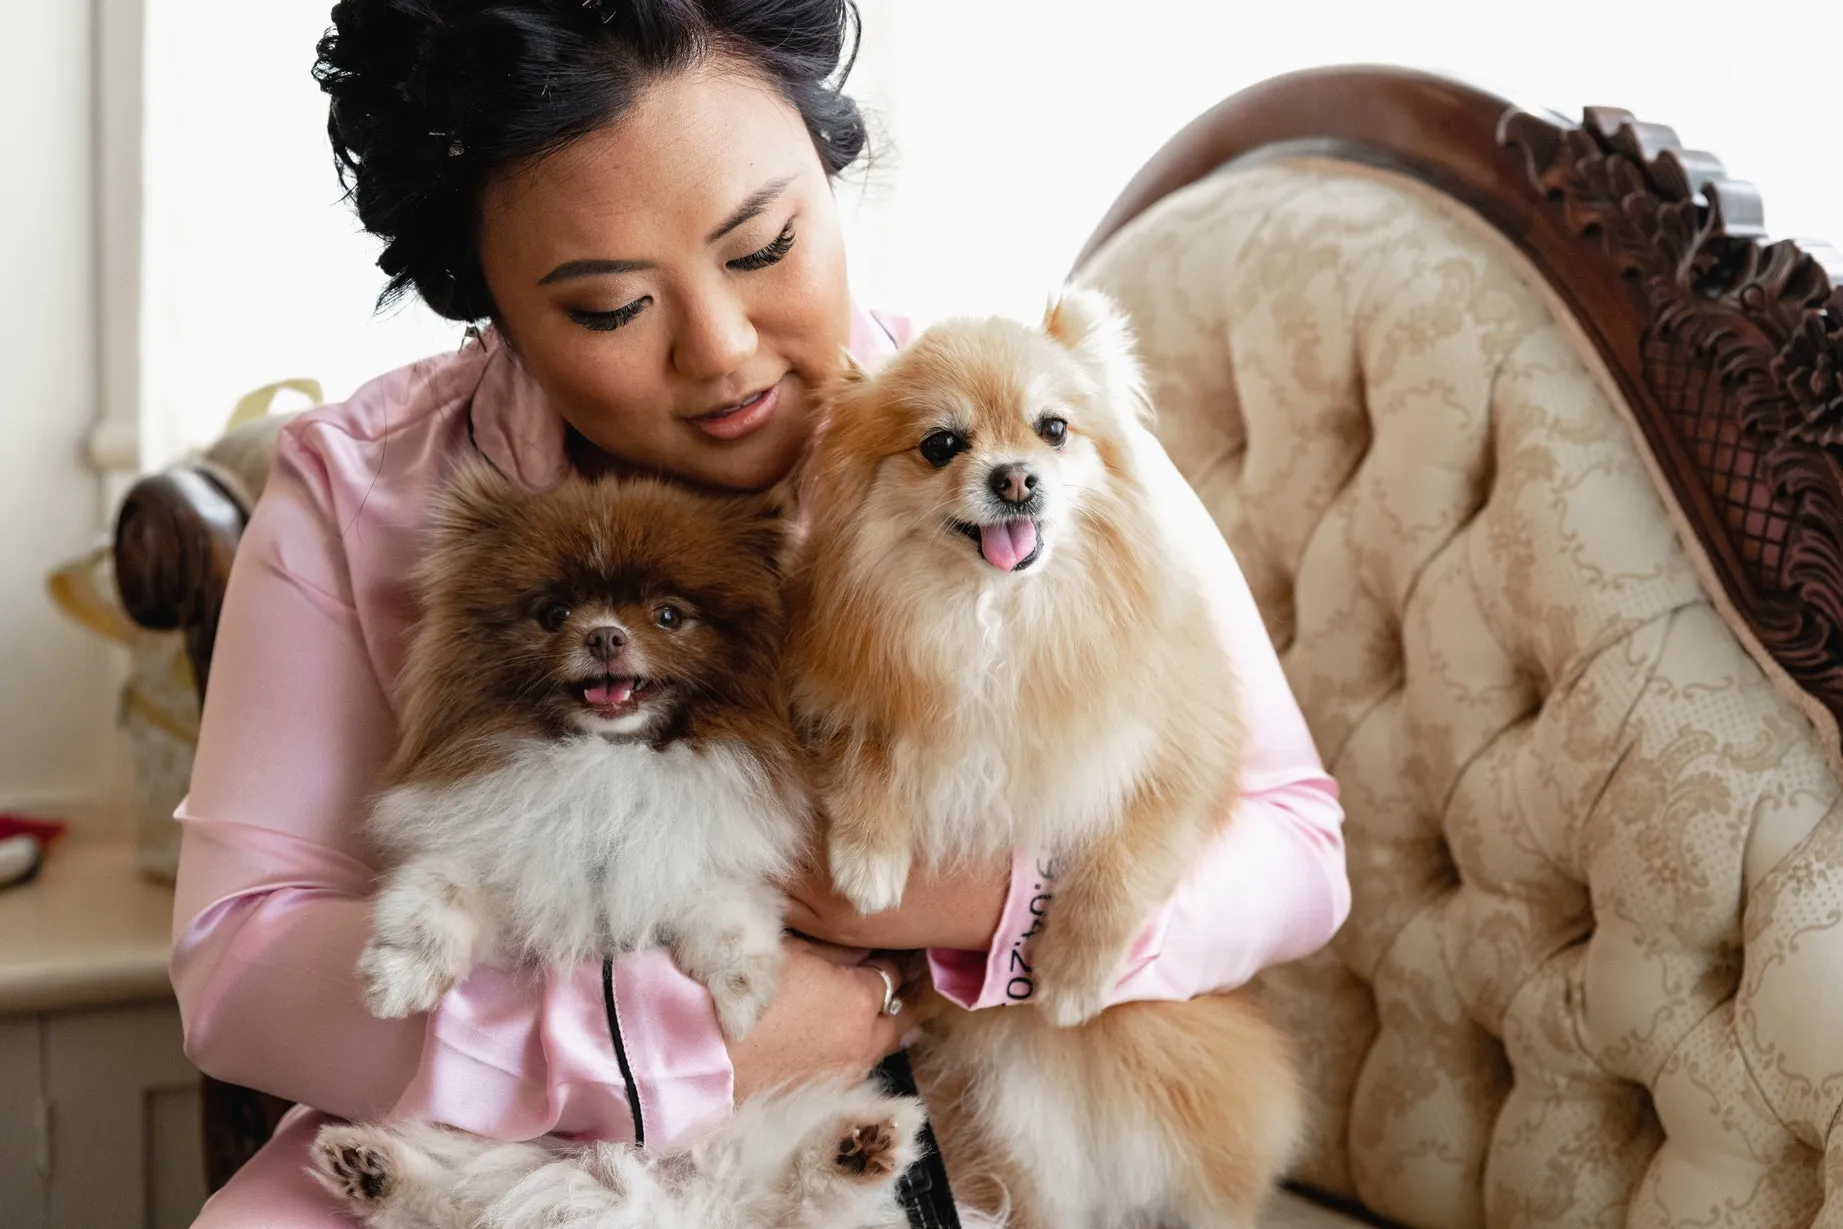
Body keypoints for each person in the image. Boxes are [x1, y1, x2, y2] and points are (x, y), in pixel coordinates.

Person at [172, 2, 1350, 1223]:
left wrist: (982, 909)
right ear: (492, 314)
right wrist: (650, 1047)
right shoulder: (364, 490)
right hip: (503, 1125)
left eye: (764, 246)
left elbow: (1295, 844)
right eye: (610, 309)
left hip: (923, 1109)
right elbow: (237, 960)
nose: (724, 351)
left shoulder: (1024, 432)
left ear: (831, 173)